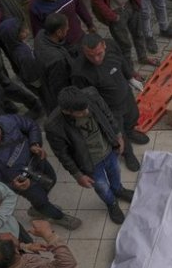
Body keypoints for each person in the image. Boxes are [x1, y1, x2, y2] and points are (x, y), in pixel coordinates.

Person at [0, 111, 80, 229]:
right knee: (41, 200)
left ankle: (37, 207)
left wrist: (35, 143)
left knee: (52, 180)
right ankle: (58, 217)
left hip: (37, 161)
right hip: (23, 182)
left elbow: (31, 126)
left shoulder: (9, 121)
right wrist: (14, 186)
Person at [45, 86, 132, 225]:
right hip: (89, 163)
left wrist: (118, 135)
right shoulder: (53, 125)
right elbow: (62, 154)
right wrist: (78, 175)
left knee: (116, 171)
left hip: (109, 150)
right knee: (102, 187)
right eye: (81, 112)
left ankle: (118, 190)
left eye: (86, 107)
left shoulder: (91, 96)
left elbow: (108, 115)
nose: (87, 111)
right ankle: (112, 203)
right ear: (67, 111)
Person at [72, 33, 149, 172]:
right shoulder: (79, 71)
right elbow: (86, 97)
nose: (96, 59)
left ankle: (131, 132)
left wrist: (130, 76)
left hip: (126, 95)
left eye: (99, 54)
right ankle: (128, 154)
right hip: (109, 108)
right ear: (84, 52)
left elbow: (123, 61)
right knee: (118, 131)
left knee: (133, 116)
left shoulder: (112, 46)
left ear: (104, 46)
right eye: (90, 56)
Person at [29, 0, 96, 47]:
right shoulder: (35, 6)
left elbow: (80, 7)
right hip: (60, 47)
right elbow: (38, 32)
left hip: (79, 36)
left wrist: (90, 24)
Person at [0, 18, 45, 113]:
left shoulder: (14, 46)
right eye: (22, 30)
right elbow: (32, 76)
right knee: (46, 98)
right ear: (13, 36)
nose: (26, 30)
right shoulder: (23, 54)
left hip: (30, 77)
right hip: (37, 82)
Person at [33, 14, 75, 112]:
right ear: (59, 32)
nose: (68, 28)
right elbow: (60, 86)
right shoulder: (57, 59)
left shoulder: (40, 35)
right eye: (66, 27)